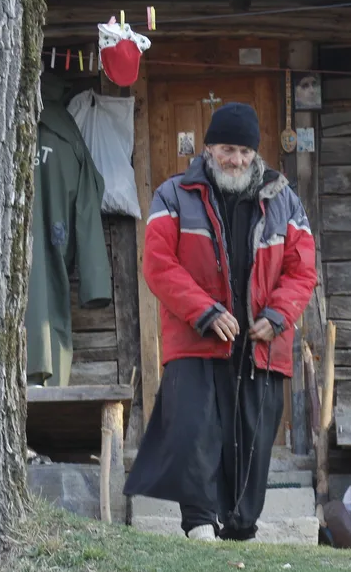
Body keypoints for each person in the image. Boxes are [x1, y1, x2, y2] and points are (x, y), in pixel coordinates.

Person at [124, 102, 318, 542]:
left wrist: (278, 315)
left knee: (254, 434)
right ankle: (198, 523)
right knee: (196, 429)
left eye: (246, 152)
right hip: (196, 338)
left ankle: (241, 526)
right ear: (209, 147)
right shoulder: (173, 195)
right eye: (228, 149)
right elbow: (157, 264)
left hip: (261, 341)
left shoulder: (284, 199)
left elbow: (302, 269)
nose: (237, 160)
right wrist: (204, 311)